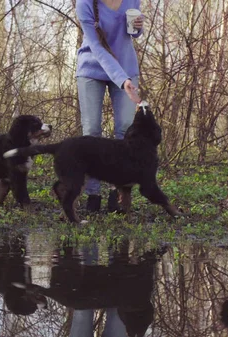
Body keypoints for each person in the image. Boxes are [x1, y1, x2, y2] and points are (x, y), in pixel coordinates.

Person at [75, 0, 143, 213]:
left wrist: (138, 29)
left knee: (125, 130)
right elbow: (97, 47)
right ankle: (93, 195)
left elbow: (131, 33)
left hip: (126, 67)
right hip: (91, 69)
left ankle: (118, 191)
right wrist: (121, 80)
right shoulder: (85, 3)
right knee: (92, 131)